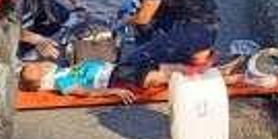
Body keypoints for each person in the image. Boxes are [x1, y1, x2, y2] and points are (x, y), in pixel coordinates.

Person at [18, 55, 250, 100]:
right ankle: (224, 77)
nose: (40, 66)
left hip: (117, 69)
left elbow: (46, 61)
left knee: (171, 69)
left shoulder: (57, 71)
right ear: (39, 84)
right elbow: (82, 91)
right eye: (37, 70)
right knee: (170, 74)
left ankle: (222, 72)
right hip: (116, 77)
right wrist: (112, 91)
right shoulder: (60, 81)